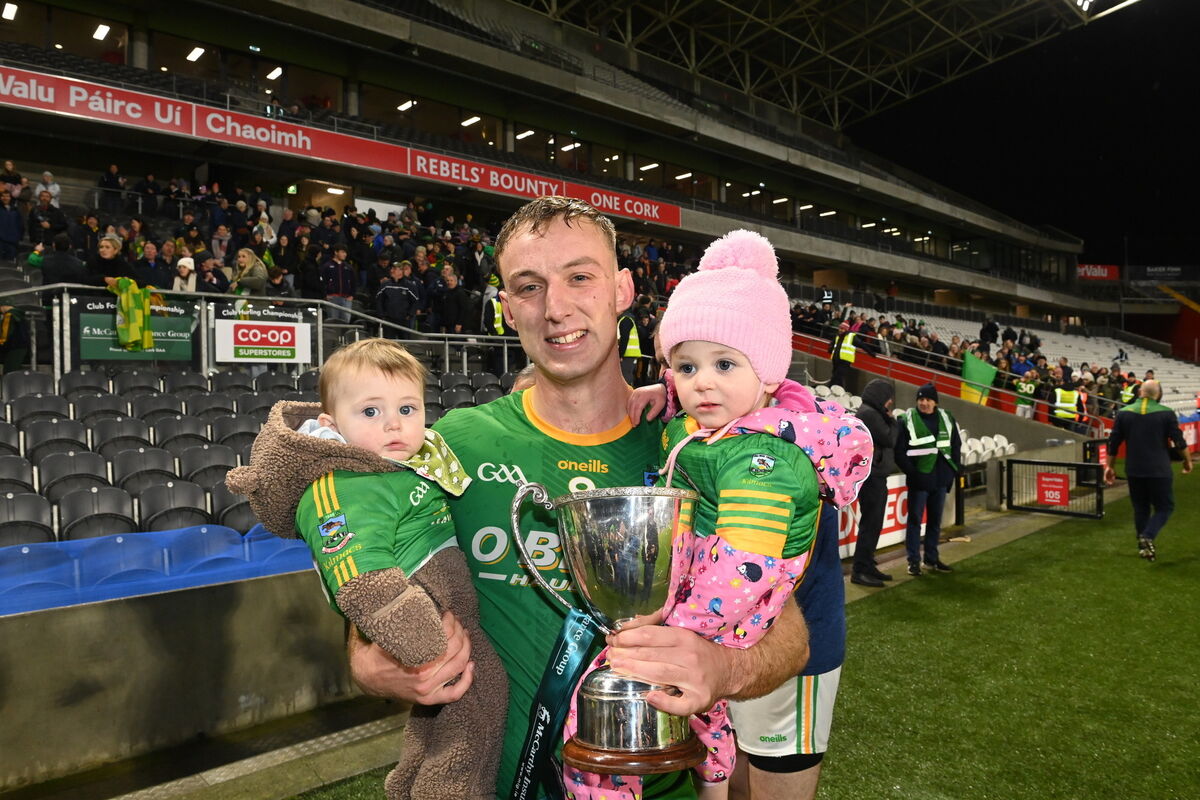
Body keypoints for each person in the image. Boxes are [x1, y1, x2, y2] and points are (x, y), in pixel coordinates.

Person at [347, 197, 811, 800]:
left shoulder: (699, 448)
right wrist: (368, 663)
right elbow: (376, 585)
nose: (556, 308)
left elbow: (790, 634)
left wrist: (726, 668)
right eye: (529, 287)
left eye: (580, 277)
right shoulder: (453, 444)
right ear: (507, 308)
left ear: (622, 289)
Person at [571, 229, 869, 800]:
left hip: (779, 640)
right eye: (686, 367)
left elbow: (743, 565)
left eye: (724, 364)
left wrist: (674, 629)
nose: (703, 381)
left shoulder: (768, 457)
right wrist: (667, 392)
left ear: (767, 371)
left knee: (775, 778)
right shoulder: (704, 425)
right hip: (721, 626)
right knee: (723, 764)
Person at [226, 339, 506, 800]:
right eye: (371, 412)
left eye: (407, 409)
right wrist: (419, 636)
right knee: (477, 708)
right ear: (331, 425)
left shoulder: (403, 464)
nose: (394, 423)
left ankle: (412, 786)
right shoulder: (346, 484)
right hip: (433, 620)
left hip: (447, 610)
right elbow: (363, 579)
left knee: (438, 726)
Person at [727, 502, 844, 800]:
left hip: (782, 649)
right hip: (713, 640)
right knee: (729, 779)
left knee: (772, 775)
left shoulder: (796, 473)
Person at [1104, 380, 1192, 561]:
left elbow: (1113, 443)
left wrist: (1109, 466)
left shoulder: (1124, 413)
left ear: (1139, 392)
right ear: (1158, 394)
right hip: (1159, 468)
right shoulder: (1166, 413)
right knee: (1165, 507)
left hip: (1134, 468)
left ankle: (1144, 548)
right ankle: (1148, 536)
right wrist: (1187, 461)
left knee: (1140, 508)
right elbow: (1179, 441)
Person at [894, 383, 960, 575]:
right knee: (915, 521)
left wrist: (953, 471)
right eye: (921, 399)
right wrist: (913, 474)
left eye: (928, 399)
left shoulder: (947, 418)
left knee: (935, 522)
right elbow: (899, 452)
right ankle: (913, 561)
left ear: (935, 402)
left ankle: (931, 559)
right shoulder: (906, 419)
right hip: (920, 480)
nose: (924, 403)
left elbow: (955, 445)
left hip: (941, 479)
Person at [851, 378, 897, 587]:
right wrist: (893, 421)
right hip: (872, 477)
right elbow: (890, 439)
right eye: (888, 397)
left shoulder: (870, 412)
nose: (890, 402)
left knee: (874, 523)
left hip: (875, 475)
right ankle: (860, 569)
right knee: (871, 523)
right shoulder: (869, 414)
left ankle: (867, 564)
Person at [828, 321, 860, 390]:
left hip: (845, 361)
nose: (840, 330)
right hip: (836, 359)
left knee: (836, 377)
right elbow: (833, 344)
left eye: (842, 329)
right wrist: (830, 348)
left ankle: (829, 388)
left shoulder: (851, 337)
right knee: (838, 378)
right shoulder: (837, 336)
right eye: (840, 328)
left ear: (846, 330)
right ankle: (840, 391)